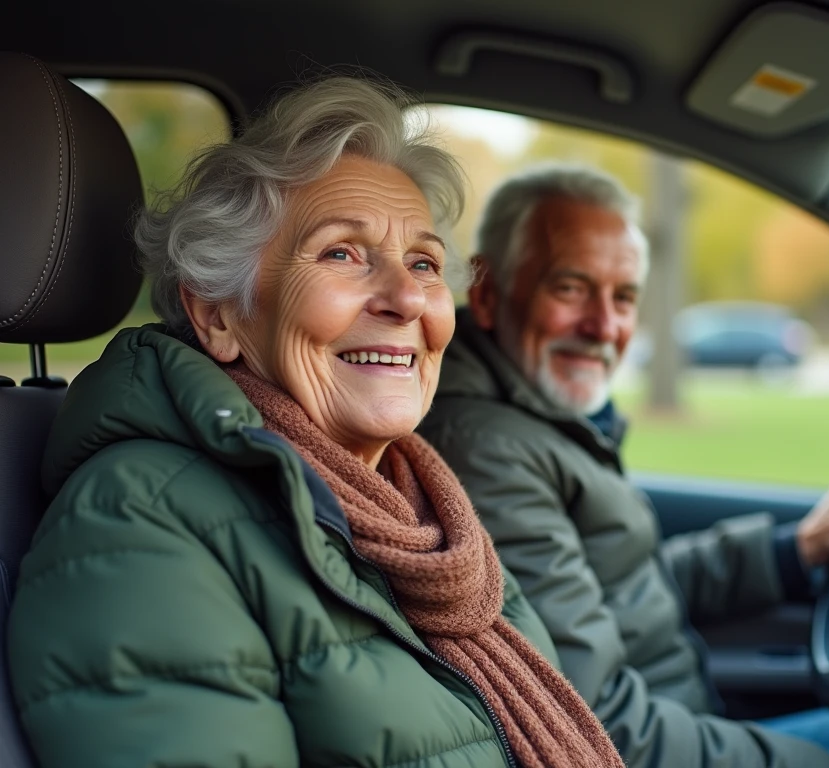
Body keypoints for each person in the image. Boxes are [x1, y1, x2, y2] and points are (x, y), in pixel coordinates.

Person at [7, 81, 625, 768]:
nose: (405, 298)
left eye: (423, 263)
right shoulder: (138, 519)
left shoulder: (425, 517)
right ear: (218, 314)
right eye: (341, 253)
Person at [418, 163, 829, 768]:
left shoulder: (534, 419)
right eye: (571, 288)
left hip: (683, 720)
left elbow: (630, 587)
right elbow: (597, 726)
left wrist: (795, 553)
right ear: (491, 295)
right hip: (646, 743)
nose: (604, 326)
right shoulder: (486, 451)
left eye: (624, 297)